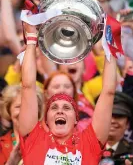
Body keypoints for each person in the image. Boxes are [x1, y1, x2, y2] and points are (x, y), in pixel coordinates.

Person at [18, 14, 118, 165]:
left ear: (77, 118)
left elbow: (109, 92)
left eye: (66, 107)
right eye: (54, 108)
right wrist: (31, 37)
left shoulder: (89, 142)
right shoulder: (34, 138)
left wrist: (111, 41)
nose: (60, 111)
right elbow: (27, 87)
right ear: (46, 118)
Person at [0, 84, 43, 165]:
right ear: (9, 111)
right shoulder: (1, 146)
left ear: (38, 112)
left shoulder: (53, 143)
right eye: (18, 106)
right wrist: (11, 163)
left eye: (29, 106)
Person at [100, 91, 133, 165]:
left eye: (119, 116)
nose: (112, 121)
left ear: (127, 123)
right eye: (109, 115)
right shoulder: (85, 149)